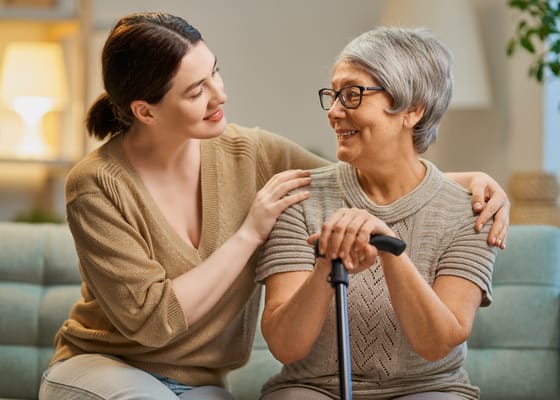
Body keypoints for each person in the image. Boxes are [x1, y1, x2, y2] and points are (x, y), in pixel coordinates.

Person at [39, 13, 507, 400]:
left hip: (202, 383)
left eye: (214, 72)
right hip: (108, 366)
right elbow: (155, 324)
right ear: (146, 111)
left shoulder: (252, 153)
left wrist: (474, 185)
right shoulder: (96, 184)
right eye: (195, 90)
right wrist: (250, 232)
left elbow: (366, 174)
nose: (220, 95)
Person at [256, 26, 499, 400]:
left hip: (429, 389)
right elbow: (286, 347)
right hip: (313, 389)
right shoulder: (300, 198)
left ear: (412, 110)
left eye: (353, 94)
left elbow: (437, 344)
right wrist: (327, 262)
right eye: (334, 94)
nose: (335, 111)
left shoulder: (471, 211)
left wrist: (390, 248)